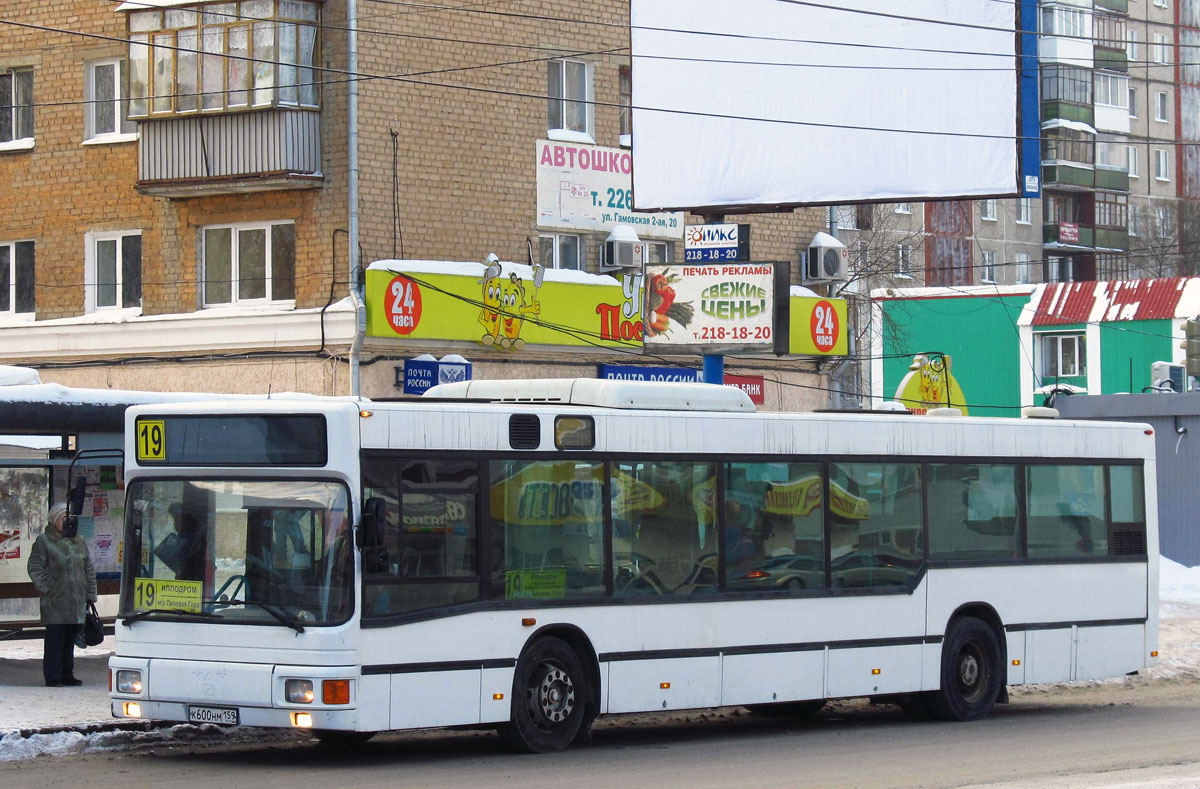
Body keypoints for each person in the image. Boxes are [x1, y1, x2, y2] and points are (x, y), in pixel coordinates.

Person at [27, 502, 97, 688]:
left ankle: (67, 673)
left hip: (76, 601)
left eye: (69, 517)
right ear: (54, 520)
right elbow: (34, 566)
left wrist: (90, 593)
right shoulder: (45, 541)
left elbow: (87, 568)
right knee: (55, 640)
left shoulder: (78, 540)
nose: (67, 520)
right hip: (55, 602)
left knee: (69, 640)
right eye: (62, 517)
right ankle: (52, 676)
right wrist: (48, 587)